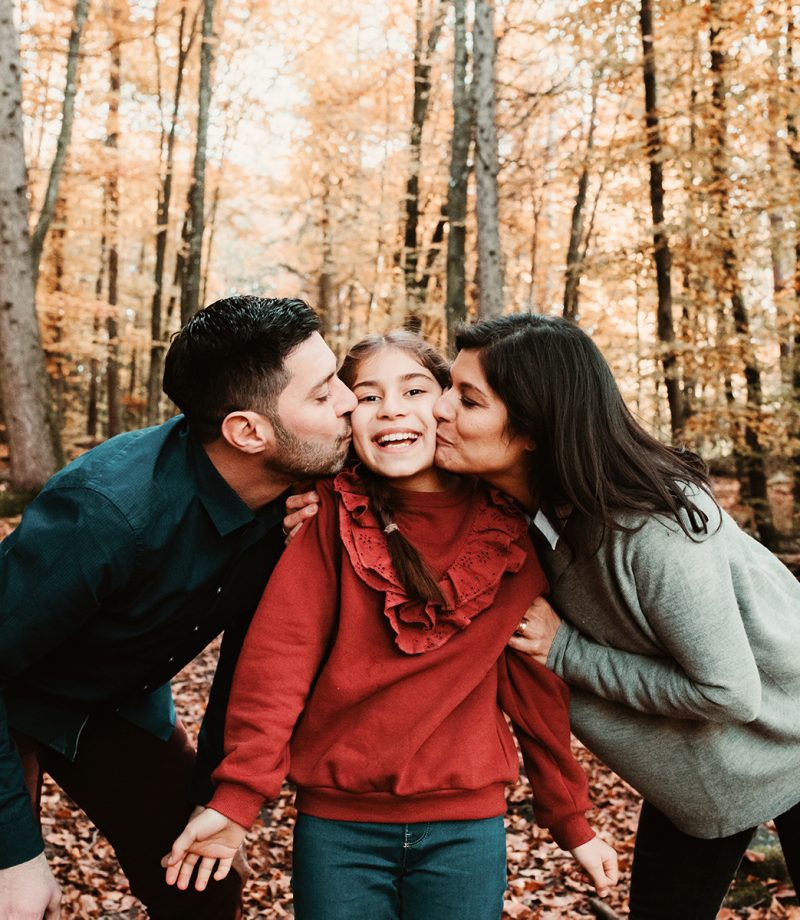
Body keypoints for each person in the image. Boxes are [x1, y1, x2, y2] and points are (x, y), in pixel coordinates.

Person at [164, 331, 618, 919]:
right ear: (348, 420)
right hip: (338, 829)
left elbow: (535, 692)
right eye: (368, 396)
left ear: (448, 406)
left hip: (467, 827)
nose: (393, 408)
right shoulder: (327, 515)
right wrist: (236, 799)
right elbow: (278, 664)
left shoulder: (507, 534)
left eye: (415, 390)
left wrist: (571, 820)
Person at [428, 312, 800, 920]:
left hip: (790, 730)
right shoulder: (509, 504)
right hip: (698, 769)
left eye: (467, 399)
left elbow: (729, 690)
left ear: (534, 431)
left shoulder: (654, 534)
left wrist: (567, 652)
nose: (440, 409)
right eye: (448, 387)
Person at [0, 295, 357, 920]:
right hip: (15, 699)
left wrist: (219, 800)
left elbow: (252, 665)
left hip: (119, 706)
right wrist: (15, 859)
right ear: (249, 431)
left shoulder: (298, 498)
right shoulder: (106, 513)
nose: (350, 403)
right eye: (324, 394)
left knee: (204, 885)